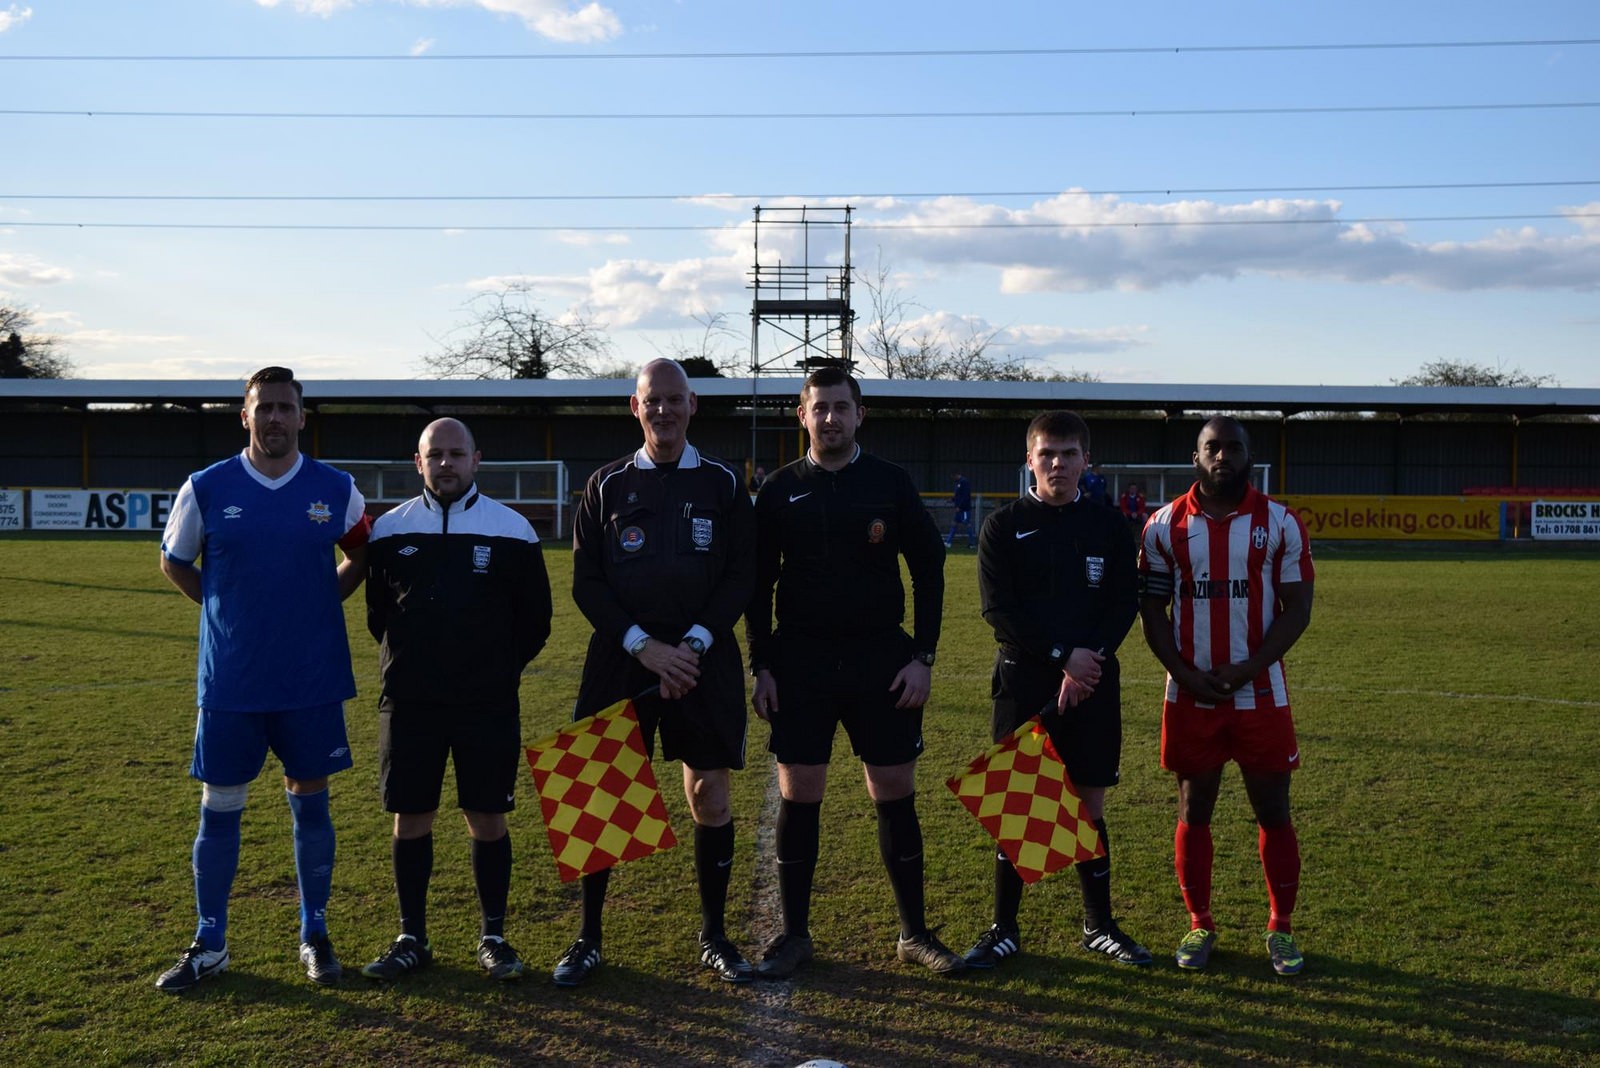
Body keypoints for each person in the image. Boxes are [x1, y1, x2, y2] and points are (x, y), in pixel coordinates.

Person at [154, 366, 370, 993]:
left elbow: (362, 551)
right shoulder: (207, 487)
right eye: (263, 408)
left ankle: (315, 933)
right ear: (244, 417)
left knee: (312, 802)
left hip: (309, 679)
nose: (275, 418)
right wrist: (226, 611)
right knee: (219, 807)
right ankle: (211, 941)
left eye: (285, 408)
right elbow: (174, 560)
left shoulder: (337, 488)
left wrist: (321, 603)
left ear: (303, 418)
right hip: (232, 684)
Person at [747, 366, 964, 979]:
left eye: (842, 407)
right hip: (800, 664)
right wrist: (761, 664)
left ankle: (914, 933)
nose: (832, 418)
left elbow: (929, 572)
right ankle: (794, 936)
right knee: (800, 794)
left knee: (895, 794)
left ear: (860, 414)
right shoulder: (780, 489)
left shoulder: (890, 484)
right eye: (821, 408)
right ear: (803, 415)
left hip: (882, 663)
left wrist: (923, 657)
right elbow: (757, 586)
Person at [559, 358, 757, 987]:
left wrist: (692, 644)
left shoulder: (725, 484)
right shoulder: (604, 485)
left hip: (703, 659)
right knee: (600, 793)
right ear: (634, 407)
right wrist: (645, 646)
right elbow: (586, 583)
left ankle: (714, 935)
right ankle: (587, 939)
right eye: (653, 401)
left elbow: (742, 575)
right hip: (623, 659)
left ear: (693, 405)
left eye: (675, 400)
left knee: (707, 793)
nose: (664, 411)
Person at [360, 418, 553, 984]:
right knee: (410, 816)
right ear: (417, 462)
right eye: (435, 455)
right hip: (411, 702)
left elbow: (535, 622)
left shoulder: (513, 529)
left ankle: (493, 936)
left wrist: (491, 671)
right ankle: (411, 937)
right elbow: (381, 616)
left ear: (477, 460)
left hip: (486, 703)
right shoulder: (388, 531)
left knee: (487, 816)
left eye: (456, 454)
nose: (446, 464)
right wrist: (418, 665)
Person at [964, 411, 1150, 970]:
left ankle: (1099, 926)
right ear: (1030, 459)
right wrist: (1061, 657)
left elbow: (1123, 601)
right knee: (1021, 802)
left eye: (1069, 454)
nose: (1058, 464)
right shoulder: (1003, 526)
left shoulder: (1109, 526)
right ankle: (1004, 929)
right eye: (1047, 453)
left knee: (1088, 804)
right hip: (1025, 682)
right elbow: (1000, 612)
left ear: (1086, 461)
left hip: (1092, 683)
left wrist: (1087, 661)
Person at [1137, 416, 1314, 976]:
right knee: (1195, 808)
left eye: (1232, 448)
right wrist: (1185, 674)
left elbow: (1298, 608)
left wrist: (1251, 666)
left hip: (1262, 693)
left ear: (1248, 456)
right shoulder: (1163, 527)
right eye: (1212, 448)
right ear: (1196, 457)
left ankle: (1281, 929)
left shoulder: (1281, 522)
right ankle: (1199, 923)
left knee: (1274, 811)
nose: (1222, 457)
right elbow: (1152, 612)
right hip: (1190, 696)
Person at [947, 472, 976, 548]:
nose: (953, 479)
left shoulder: (964, 482)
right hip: (959, 509)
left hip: (964, 509)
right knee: (954, 523)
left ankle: (972, 543)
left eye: (953, 476)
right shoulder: (958, 483)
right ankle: (948, 542)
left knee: (967, 524)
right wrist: (952, 499)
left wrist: (960, 506)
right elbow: (958, 495)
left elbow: (965, 496)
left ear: (956, 474)